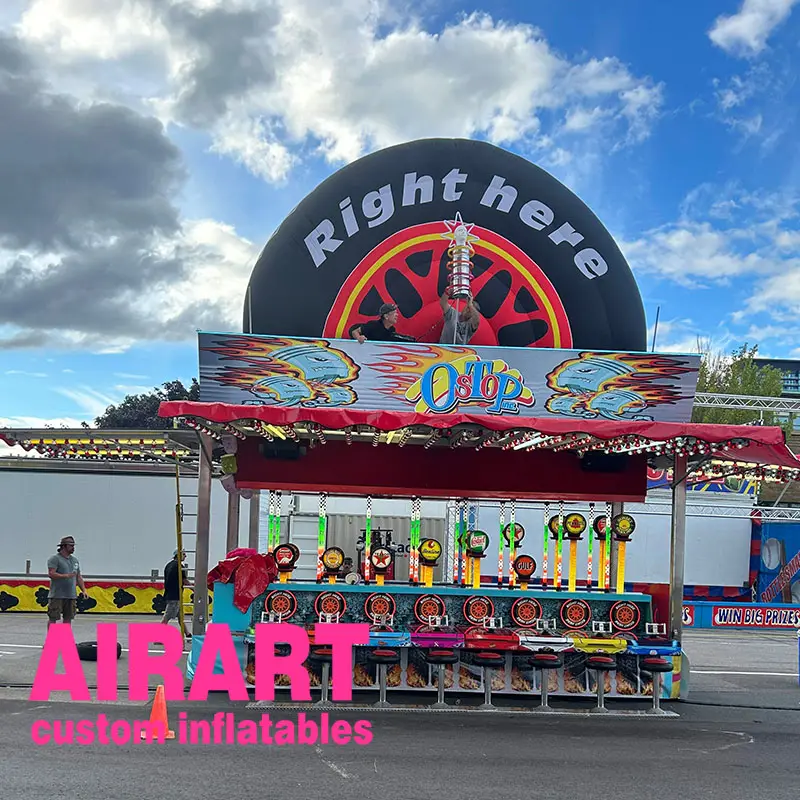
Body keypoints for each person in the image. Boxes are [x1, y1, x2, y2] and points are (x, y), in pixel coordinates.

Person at [46, 536, 87, 627]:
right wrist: (66, 576)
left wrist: (83, 590)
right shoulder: (55, 559)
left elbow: (78, 576)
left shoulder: (74, 560)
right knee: (53, 618)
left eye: (73, 545)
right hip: (57, 594)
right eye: (71, 545)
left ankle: (64, 639)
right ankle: (51, 639)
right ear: (63, 546)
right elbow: (51, 574)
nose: (73, 548)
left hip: (71, 595)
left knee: (68, 618)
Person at [162, 549, 192, 644]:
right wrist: (195, 589)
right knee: (166, 617)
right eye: (183, 554)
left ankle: (187, 634)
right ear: (178, 555)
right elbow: (185, 580)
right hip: (175, 596)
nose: (185, 556)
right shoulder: (179, 566)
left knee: (180, 616)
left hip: (170, 594)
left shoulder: (169, 565)